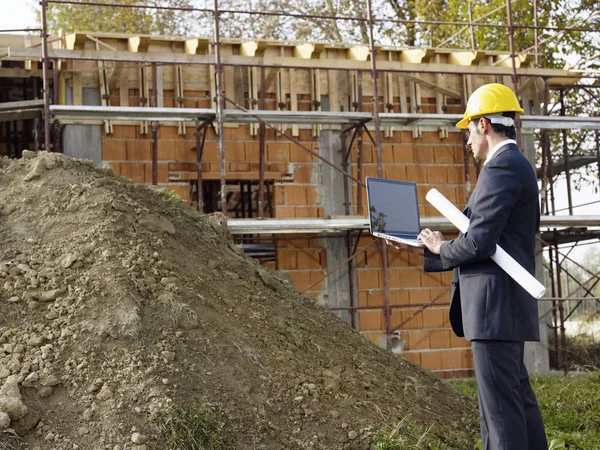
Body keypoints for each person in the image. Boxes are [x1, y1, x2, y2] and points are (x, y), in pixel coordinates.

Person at [388, 83, 547, 450]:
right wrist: (426, 249)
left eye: (469, 130)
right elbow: (481, 235)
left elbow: (478, 242)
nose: (467, 140)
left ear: (484, 125)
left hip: (493, 309)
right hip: (501, 308)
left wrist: (441, 248)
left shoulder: (501, 168)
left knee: (500, 416)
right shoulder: (515, 165)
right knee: (517, 403)